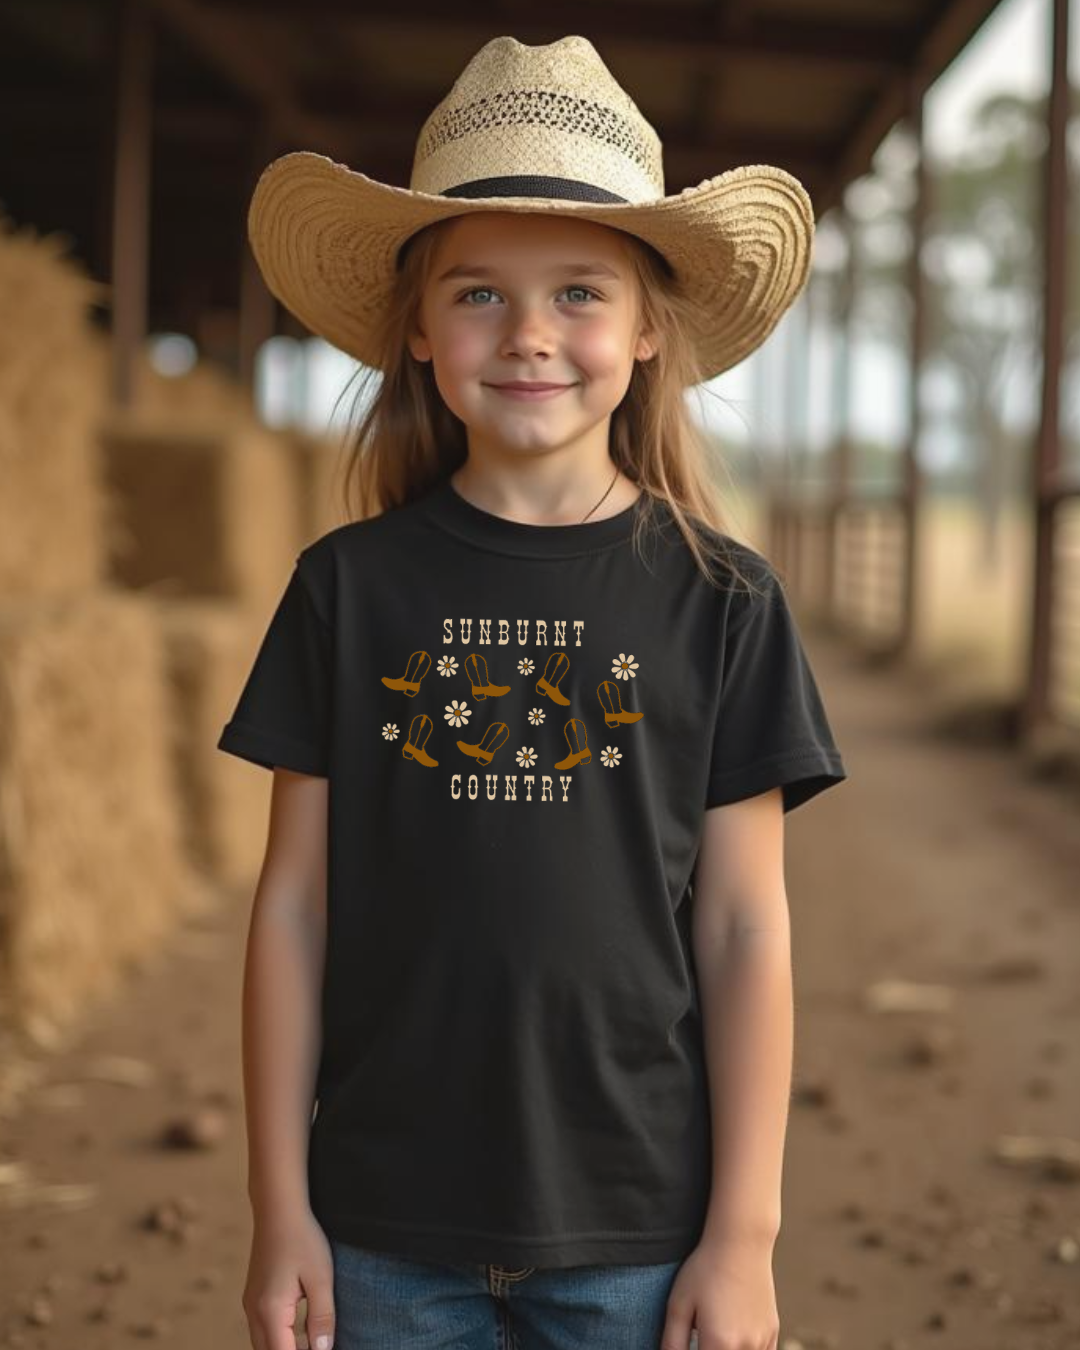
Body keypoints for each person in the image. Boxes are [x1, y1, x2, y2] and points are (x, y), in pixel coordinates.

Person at [218, 32, 848, 1350]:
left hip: (637, 1228)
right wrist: (282, 1208)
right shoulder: (348, 589)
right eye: (479, 294)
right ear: (416, 325)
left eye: (578, 292)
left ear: (650, 329)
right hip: (380, 1222)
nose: (529, 336)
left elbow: (743, 928)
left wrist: (742, 1236)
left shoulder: (724, 602)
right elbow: (291, 906)